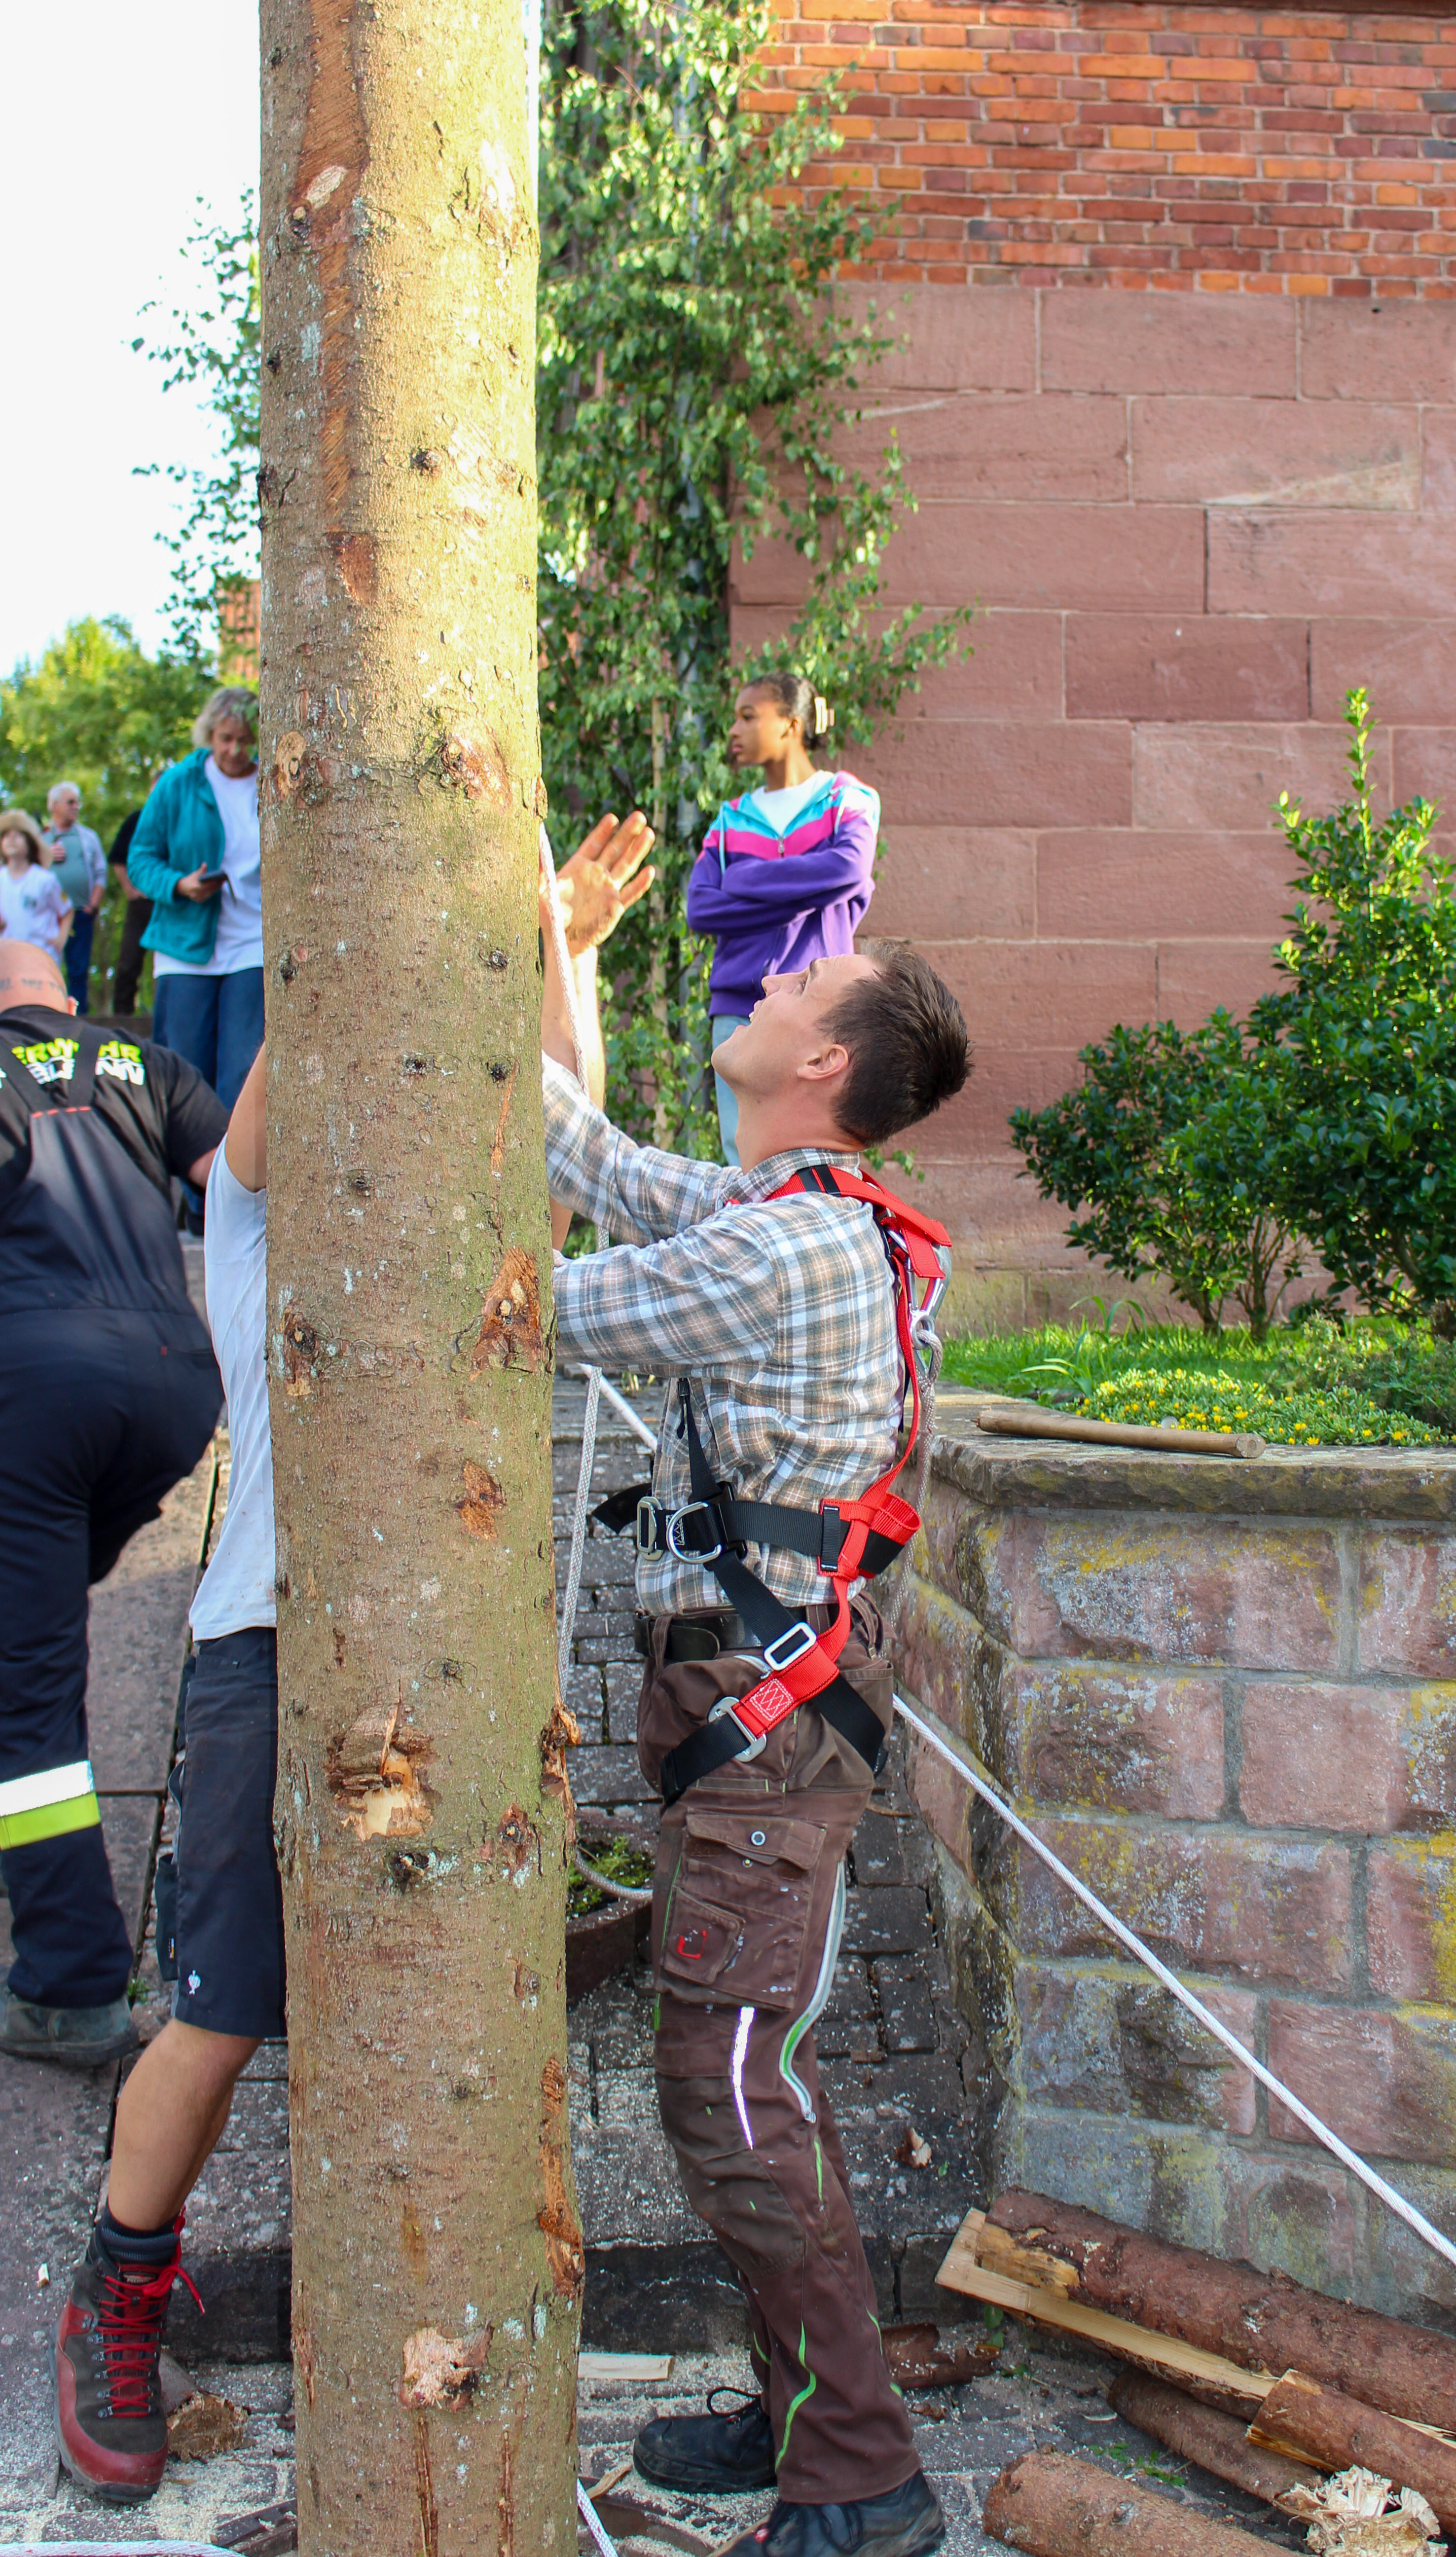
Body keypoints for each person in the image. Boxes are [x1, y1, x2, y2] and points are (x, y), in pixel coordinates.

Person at [49, 815, 656, 2507]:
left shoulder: (481, 1252)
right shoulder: (256, 1233)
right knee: (224, 2010)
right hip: (260, 1657)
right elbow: (278, 1076)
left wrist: (556, 947)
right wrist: (363, 886)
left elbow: (551, 1137)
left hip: (450, 1671)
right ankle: (117, 2287)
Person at [543, 823, 970, 2557]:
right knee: (742, 2077)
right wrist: (550, 941)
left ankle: (859, 2473)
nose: (764, 978)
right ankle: (797, 2400)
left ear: (823, 1064)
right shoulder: (800, 1214)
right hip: (765, 1730)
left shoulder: (785, 1248)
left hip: (764, 1731)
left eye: (794, 980)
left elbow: (528, 1305)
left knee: (726, 2094)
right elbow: (585, 1153)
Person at [0, 941, 226, 2071]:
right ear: (64, 999)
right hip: (175, 1385)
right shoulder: (143, 1061)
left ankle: (71, 1981)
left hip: (36, 1394)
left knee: (29, 1700)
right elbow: (241, 1176)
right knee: (25, 1629)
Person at [687, 674, 879, 1166]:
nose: (734, 728)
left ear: (791, 724)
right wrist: (810, 891)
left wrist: (747, 879)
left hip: (818, 1007)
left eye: (748, 716)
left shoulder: (848, 800)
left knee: (822, 1151)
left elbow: (849, 869)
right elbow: (702, 907)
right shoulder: (729, 822)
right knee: (743, 1151)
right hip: (738, 1010)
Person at [123, 685, 264, 1129]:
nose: (235, 750)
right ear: (209, 734)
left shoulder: (275, 780)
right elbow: (140, 859)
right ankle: (187, 1195)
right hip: (185, 945)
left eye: (245, 739)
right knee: (184, 1076)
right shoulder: (178, 783)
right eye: (225, 738)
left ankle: (239, 1193)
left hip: (253, 942)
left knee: (244, 1075)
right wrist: (179, 885)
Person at [43, 783, 109, 1013]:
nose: (76, 806)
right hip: (47, 917)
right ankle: (48, 1014)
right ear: (54, 806)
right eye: (70, 802)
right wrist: (46, 855)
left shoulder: (89, 837)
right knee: (46, 967)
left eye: (77, 802)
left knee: (79, 969)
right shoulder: (40, 838)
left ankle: (78, 1019)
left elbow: (101, 873)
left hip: (81, 914)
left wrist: (93, 905)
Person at [0, 811, 74, 956]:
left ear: (30, 843)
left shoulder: (45, 880)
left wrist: (61, 938)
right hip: (7, 958)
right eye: (7, 836)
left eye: (18, 835)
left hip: (40, 956)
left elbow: (67, 910)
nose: (12, 840)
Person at [106, 808, 151, 1018]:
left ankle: (165, 1015)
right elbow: (117, 858)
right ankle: (122, 1018)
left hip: (174, 903)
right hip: (141, 903)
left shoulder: (185, 817)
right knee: (129, 961)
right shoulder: (137, 819)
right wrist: (130, 891)